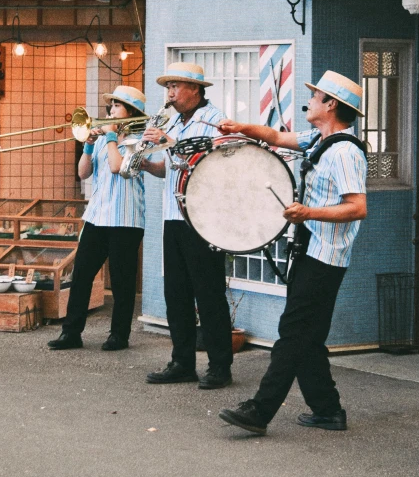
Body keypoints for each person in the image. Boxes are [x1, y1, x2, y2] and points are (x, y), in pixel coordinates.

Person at [217, 70, 368, 435]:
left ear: (330, 105)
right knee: (308, 336)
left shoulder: (345, 152)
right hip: (310, 251)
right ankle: (328, 411)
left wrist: (308, 212)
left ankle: (260, 411)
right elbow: (275, 136)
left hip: (326, 257)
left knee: (293, 332)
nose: (310, 102)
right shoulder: (319, 139)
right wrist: (240, 127)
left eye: (315, 97)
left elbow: (358, 206)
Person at [141, 62, 233, 389]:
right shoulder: (175, 121)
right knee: (175, 292)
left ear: (195, 89)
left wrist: (167, 141)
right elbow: (171, 169)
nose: (169, 93)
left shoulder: (214, 120)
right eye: (168, 87)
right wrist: (145, 163)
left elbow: (209, 163)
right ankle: (182, 361)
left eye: (175, 86)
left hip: (204, 218)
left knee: (208, 294)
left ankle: (220, 366)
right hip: (173, 214)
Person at [48, 86, 147, 352]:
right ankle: (71, 332)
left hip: (125, 218)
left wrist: (112, 137)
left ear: (131, 112)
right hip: (97, 215)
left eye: (117, 106)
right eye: (111, 105)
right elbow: (83, 174)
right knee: (81, 275)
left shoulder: (141, 140)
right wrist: (88, 146)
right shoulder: (104, 138)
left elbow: (118, 167)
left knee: (122, 280)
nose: (111, 110)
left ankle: (119, 335)